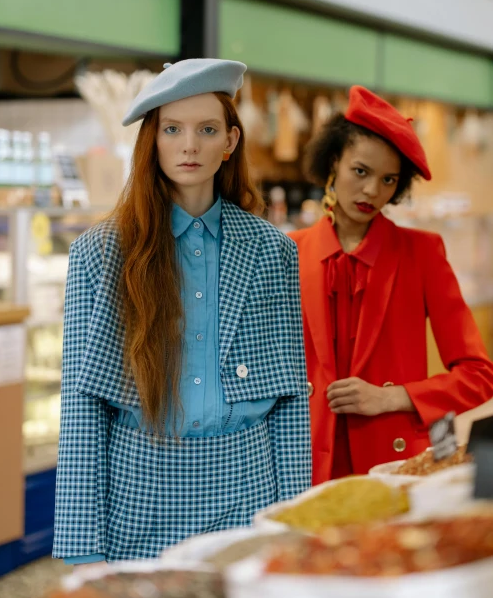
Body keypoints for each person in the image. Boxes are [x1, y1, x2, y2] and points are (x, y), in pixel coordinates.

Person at [53, 58, 311, 564]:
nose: (189, 145)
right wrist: (85, 548)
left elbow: (290, 398)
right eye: (172, 129)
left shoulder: (272, 251)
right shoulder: (100, 253)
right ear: (153, 139)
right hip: (140, 486)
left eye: (207, 129)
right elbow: (82, 408)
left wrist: (293, 521)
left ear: (230, 142)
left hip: (248, 485)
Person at [290, 86, 493, 485]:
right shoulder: (287, 253)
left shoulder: (421, 253)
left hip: (396, 462)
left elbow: (479, 375)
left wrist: (392, 396)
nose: (371, 191)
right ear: (334, 161)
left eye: (388, 180)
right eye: (360, 171)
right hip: (306, 461)